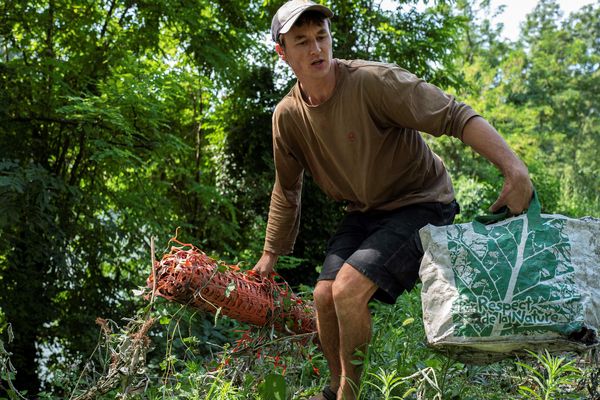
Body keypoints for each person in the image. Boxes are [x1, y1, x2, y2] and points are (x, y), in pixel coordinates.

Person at [253, 1, 533, 399]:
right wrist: (270, 253)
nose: (316, 49)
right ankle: (336, 389)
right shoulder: (287, 116)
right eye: (302, 42)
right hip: (365, 210)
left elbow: (453, 114)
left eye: (321, 37)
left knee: (347, 290)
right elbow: (287, 186)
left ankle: (350, 395)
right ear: (282, 53)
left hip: (423, 201)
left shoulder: (372, 81)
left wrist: (514, 168)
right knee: (323, 296)